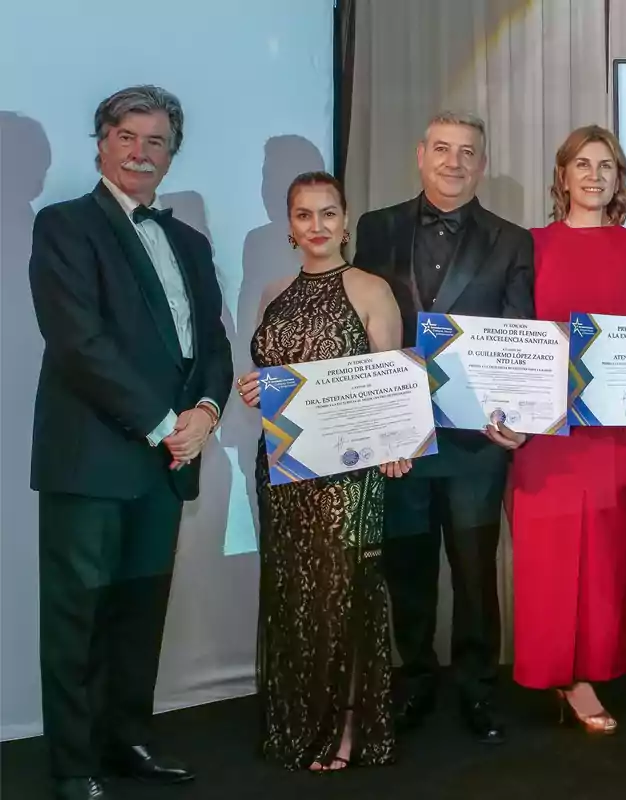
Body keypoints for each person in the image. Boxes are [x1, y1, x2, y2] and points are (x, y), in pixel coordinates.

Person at [29, 85, 233, 800]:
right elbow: (80, 344)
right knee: (77, 617)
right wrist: (163, 426)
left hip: (168, 458)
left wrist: (207, 409)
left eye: (157, 142)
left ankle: (125, 741)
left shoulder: (190, 241)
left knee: (138, 615)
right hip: (92, 456)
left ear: (171, 155)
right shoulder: (62, 227)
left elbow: (212, 341)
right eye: (128, 136)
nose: (142, 152)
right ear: (101, 142)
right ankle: (73, 765)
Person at [354, 111, 534, 744]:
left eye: (468, 153)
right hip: (398, 440)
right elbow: (357, 326)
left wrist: (517, 419)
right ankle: (416, 682)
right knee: (407, 570)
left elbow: (519, 332)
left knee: (475, 573)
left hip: (474, 443)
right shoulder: (375, 229)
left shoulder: (513, 240)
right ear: (419, 154)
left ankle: (478, 689)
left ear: (481, 164)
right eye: (442, 150)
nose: (454, 162)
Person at [235, 172, 408, 771]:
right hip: (283, 473)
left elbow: (394, 383)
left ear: (345, 218)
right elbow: (272, 377)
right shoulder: (273, 292)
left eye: (328, 214)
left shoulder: (370, 288)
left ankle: (348, 727)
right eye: (305, 215)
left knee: (348, 596)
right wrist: (254, 390)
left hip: (350, 476)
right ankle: (299, 719)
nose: (317, 227)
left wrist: (398, 444)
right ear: (290, 225)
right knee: (294, 596)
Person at [502, 125, 626, 734]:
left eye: (606, 165)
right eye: (582, 164)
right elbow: (513, 335)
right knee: (547, 554)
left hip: (617, 435)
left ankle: (590, 673)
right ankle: (558, 675)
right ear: (563, 176)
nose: (594, 175)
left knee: (606, 559)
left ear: (618, 179)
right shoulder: (530, 244)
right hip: (547, 434)